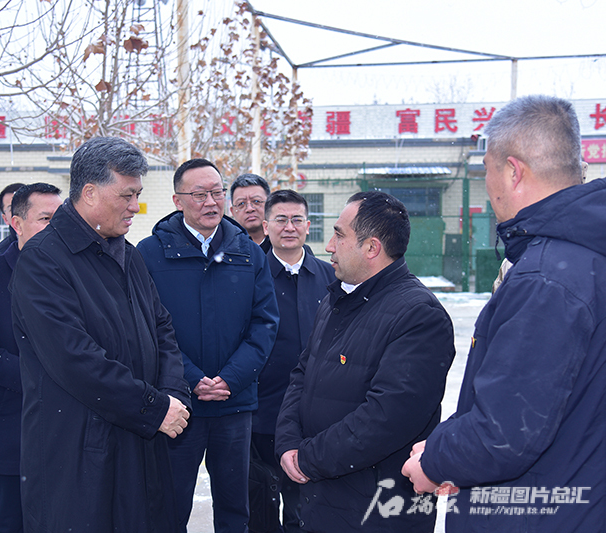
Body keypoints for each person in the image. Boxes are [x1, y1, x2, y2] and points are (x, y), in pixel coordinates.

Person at [402, 95, 606, 531]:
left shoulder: (547, 279)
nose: (487, 183)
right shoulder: (585, 257)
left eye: (487, 170)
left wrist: (434, 461)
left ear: (514, 171)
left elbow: (505, 432)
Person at [10, 137, 191, 533]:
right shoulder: (43, 260)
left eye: (138, 195)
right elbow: (75, 359)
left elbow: (162, 329)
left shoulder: (128, 254)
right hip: (79, 451)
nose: (135, 206)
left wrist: (172, 394)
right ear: (89, 193)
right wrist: (152, 407)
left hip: (141, 443)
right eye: (127, 195)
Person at [275, 190, 455, 532]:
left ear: (372, 248)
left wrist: (308, 458)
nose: (329, 246)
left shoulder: (419, 315)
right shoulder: (337, 300)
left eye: (339, 235)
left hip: (376, 512)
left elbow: (388, 418)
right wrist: (286, 442)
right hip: (322, 501)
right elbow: (302, 374)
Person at [137, 159, 279, 533]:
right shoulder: (149, 254)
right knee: (168, 508)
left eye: (217, 192)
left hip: (234, 403)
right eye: (199, 194)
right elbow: (146, 329)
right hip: (176, 404)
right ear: (177, 200)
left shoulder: (248, 252)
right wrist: (191, 378)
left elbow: (265, 324)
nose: (211, 202)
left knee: (236, 509)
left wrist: (231, 378)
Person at [0, 182, 62, 533]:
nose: (56, 228)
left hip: (69, 430)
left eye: (61, 219)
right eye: (46, 219)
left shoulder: (79, 274)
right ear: (16, 224)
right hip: (10, 427)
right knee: (10, 523)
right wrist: (39, 379)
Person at [250, 189, 335, 533]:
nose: (289, 227)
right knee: (260, 506)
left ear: (308, 226)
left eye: (297, 219)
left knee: (306, 510)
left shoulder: (331, 277)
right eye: (281, 219)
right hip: (262, 412)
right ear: (266, 226)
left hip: (315, 416)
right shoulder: (249, 275)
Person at [230, 173, 271, 251]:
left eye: (256, 201)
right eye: (241, 203)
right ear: (232, 212)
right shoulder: (225, 248)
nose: (249, 209)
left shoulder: (283, 243)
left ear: (269, 205)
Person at [0, 182, 25, 260]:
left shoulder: (50, 244)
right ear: (5, 219)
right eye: (12, 209)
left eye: (25, 206)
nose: (21, 212)